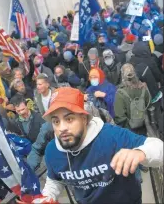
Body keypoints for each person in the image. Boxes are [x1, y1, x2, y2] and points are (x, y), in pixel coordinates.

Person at [31, 87, 163, 204]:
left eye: (69, 119)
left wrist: (140, 152)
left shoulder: (111, 137)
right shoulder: (52, 151)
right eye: (56, 121)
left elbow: (158, 147)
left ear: (83, 119)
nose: (62, 128)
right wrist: (48, 196)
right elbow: (55, 179)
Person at [114, 63, 151, 135]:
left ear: (122, 75)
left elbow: (119, 117)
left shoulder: (120, 93)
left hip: (129, 132)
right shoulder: (143, 87)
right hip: (143, 128)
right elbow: (148, 105)